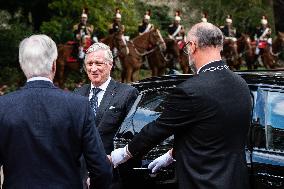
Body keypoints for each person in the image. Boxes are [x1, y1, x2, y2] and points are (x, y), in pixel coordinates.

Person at [111, 22, 252, 189]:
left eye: (186, 47)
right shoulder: (242, 84)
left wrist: (124, 153)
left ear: (192, 46)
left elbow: (159, 128)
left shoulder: (190, 90)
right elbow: (210, 131)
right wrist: (171, 154)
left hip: (202, 182)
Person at [0, 34, 112, 189]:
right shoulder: (79, 106)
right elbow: (101, 169)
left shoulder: (3, 106)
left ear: (22, 65)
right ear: (54, 65)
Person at [74, 42, 139, 189]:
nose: (93, 68)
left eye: (98, 63)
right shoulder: (77, 94)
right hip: (80, 176)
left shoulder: (127, 93)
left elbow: (132, 136)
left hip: (113, 175)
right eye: (89, 63)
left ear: (110, 65)